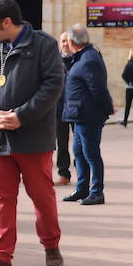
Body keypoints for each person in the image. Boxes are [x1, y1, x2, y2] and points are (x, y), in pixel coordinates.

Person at [0, 0, 65, 266]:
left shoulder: (43, 46)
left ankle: (51, 245)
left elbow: (53, 85)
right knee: (1, 198)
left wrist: (22, 115)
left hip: (33, 138)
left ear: (6, 22)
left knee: (42, 196)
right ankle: (0, 256)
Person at [60, 25, 114, 205]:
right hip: (79, 115)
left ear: (73, 41)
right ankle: (82, 189)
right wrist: (67, 56)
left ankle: (97, 191)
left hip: (88, 115)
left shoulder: (89, 58)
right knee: (79, 152)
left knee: (90, 153)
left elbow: (98, 89)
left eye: (67, 40)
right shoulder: (81, 56)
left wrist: (107, 108)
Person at [53, 31, 76, 188]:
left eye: (68, 41)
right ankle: (64, 173)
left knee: (79, 144)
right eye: (62, 41)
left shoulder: (79, 60)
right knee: (61, 143)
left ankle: (82, 172)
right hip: (59, 108)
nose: (65, 44)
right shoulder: (53, 62)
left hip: (77, 109)